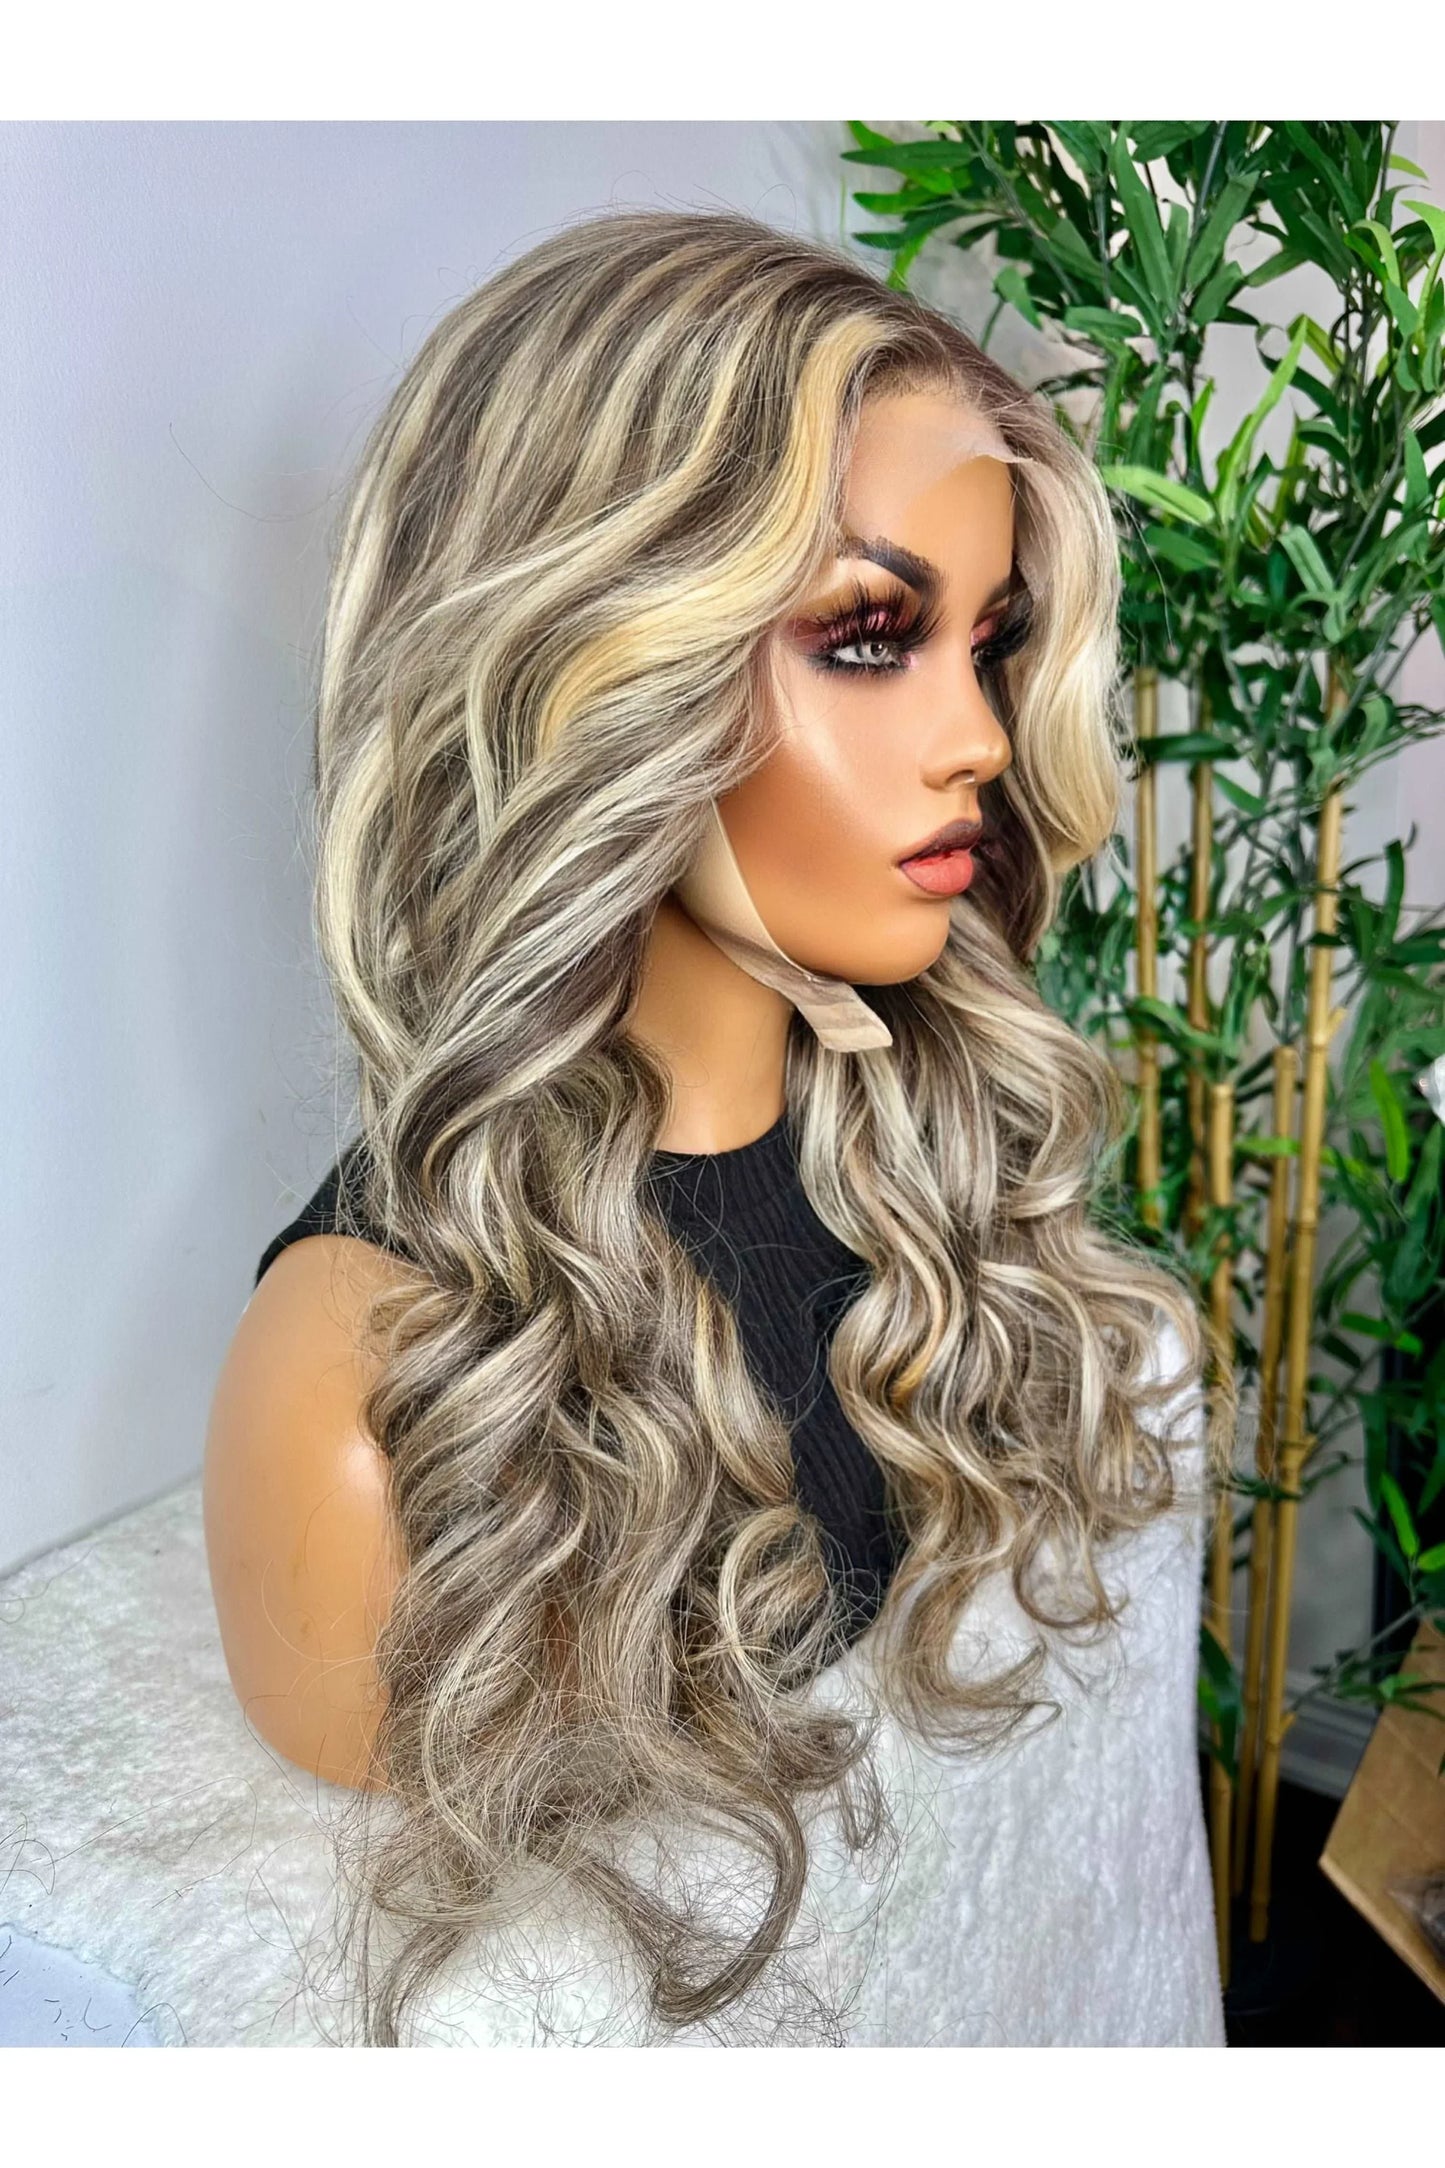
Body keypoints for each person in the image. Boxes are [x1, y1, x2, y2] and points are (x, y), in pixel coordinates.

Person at [203, 205, 1233, 2047]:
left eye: (985, 641)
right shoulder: (369, 1397)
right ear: (589, 669)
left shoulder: (919, 1189)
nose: (979, 738)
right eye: (867, 636)